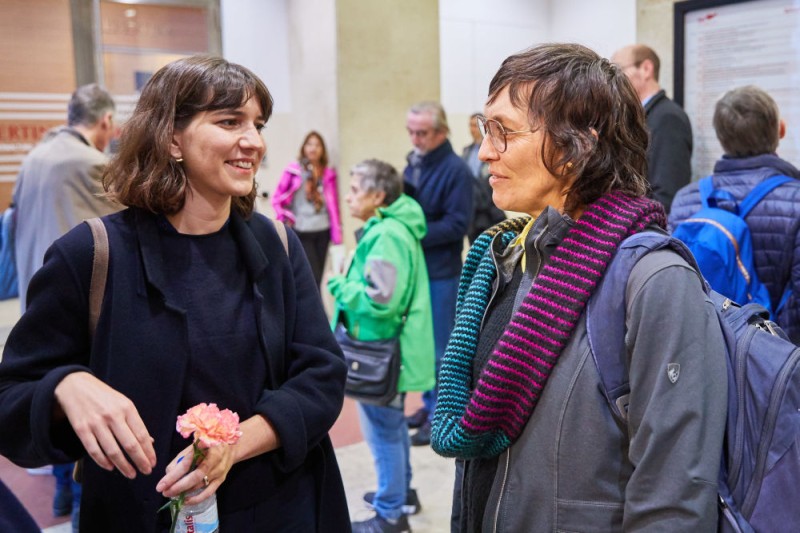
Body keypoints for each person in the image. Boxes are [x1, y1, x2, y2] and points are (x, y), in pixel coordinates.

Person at [0, 55, 349, 532]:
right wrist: (64, 384)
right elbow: (11, 400)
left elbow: (322, 375)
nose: (254, 142)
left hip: (278, 508)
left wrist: (237, 442)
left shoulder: (278, 244)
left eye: (258, 125)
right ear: (171, 139)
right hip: (142, 513)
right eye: (230, 122)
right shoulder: (91, 253)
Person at [430, 43, 728, 532]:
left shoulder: (654, 281)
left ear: (574, 149)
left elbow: (673, 501)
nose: (485, 150)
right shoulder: (511, 257)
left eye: (502, 131)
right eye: (486, 130)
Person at [12, 83, 122, 530]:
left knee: (51, 389)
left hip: (33, 295)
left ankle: (61, 490)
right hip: (79, 301)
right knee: (83, 404)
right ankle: (80, 506)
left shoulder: (35, 156)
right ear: (105, 122)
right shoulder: (91, 163)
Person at [328, 159, 435, 533]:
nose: (348, 197)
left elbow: (380, 300)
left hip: (380, 351)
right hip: (392, 349)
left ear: (377, 195)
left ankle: (390, 514)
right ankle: (401, 494)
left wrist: (338, 284)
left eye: (355, 189)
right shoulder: (392, 227)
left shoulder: (387, 234)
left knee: (383, 432)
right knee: (391, 428)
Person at [669, 85, 800, 343]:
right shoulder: (795, 199)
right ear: (780, 130)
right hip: (775, 361)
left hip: (709, 351)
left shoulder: (685, 199)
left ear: (721, 137)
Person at [403, 101, 472, 447]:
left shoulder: (456, 170)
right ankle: (429, 405)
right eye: (411, 132)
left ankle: (440, 416)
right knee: (422, 346)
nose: (415, 139)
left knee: (442, 350)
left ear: (441, 132)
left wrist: (410, 232)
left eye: (423, 133)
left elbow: (458, 224)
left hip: (442, 272)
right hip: (418, 270)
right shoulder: (414, 162)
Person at [611, 44, 693, 212]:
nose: (612, 79)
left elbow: (667, 194)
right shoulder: (635, 116)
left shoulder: (668, 118)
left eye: (618, 70)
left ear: (646, 69)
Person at [272, 131, 343, 288]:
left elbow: (334, 207)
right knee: (311, 277)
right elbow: (277, 198)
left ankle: (314, 311)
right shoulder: (294, 171)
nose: (313, 148)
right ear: (303, 147)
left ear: (323, 150)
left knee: (318, 278)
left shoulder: (328, 174)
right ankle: (317, 312)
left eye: (317, 145)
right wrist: (285, 217)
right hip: (302, 230)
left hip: (323, 230)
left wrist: (338, 235)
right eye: (309, 144)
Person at [462, 113, 505, 243]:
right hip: (472, 207)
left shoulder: (491, 150)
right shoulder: (466, 151)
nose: (472, 129)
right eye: (470, 125)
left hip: (488, 207)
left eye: (475, 126)